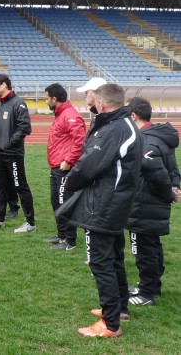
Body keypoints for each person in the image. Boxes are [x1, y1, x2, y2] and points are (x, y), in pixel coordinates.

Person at [56, 83, 141, 338]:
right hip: (115, 203)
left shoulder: (114, 129)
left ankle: (110, 323)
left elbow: (88, 165)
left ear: (101, 103)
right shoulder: (123, 124)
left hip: (103, 206)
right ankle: (119, 308)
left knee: (100, 262)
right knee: (114, 258)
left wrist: (69, 182)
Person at [126, 97, 180, 306]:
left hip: (145, 203)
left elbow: (157, 173)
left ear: (133, 116)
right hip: (152, 203)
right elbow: (173, 168)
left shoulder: (146, 140)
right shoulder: (159, 136)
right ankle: (151, 286)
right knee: (152, 245)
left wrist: (169, 193)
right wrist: (174, 186)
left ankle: (147, 293)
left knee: (144, 249)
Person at [0, 74, 36, 232]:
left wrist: (8, 144)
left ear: (4, 85)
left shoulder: (18, 103)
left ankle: (30, 223)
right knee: (0, 187)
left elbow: (24, 128)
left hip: (13, 154)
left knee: (20, 186)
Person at [44, 83, 85, 250]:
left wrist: (68, 160)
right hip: (56, 166)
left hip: (64, 168)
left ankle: (70, 241)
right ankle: (61, 235)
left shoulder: (70, 115)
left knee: (64, 203)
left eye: (47, 98)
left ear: (54, 99)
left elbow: (79, 140)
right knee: (56, 202)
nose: (46, 101)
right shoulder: (61, 114)